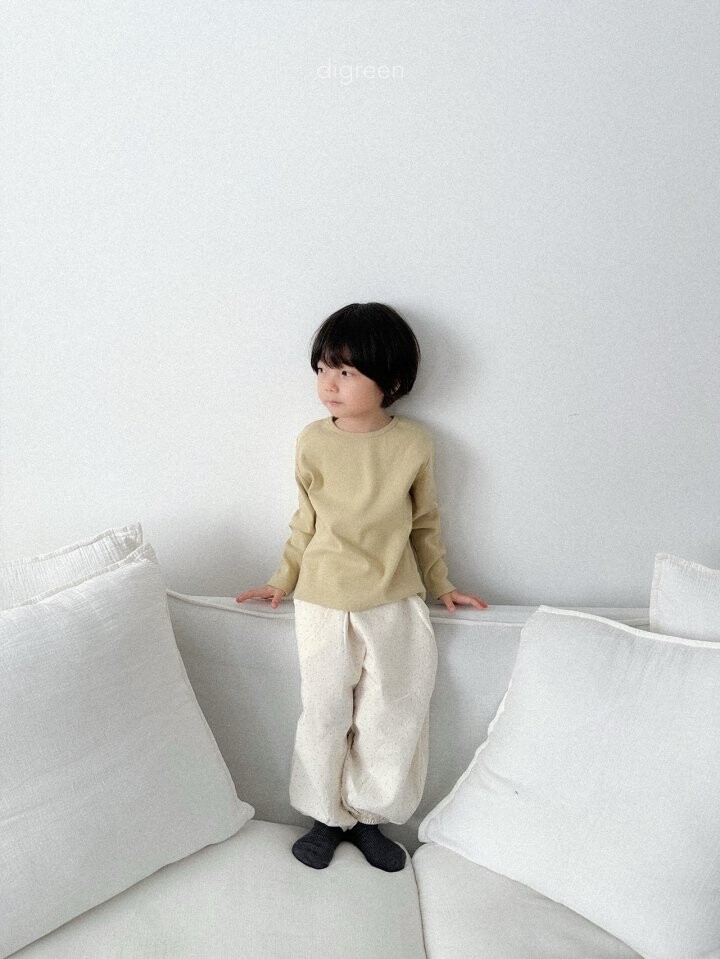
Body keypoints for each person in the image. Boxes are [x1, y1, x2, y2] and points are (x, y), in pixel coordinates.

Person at [236, 302, 487, 872]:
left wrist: (442, 584)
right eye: (323, 368)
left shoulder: (414, 443)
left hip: (395, 599)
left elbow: (425, 524)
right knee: (324, 712)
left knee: (391, 712)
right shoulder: (312, 441)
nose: (328, 383)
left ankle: (370, 819)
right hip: (322, 599)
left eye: (346, 371)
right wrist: (281, 580)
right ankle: (325, 819)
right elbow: (305, 521)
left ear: (390, 381)